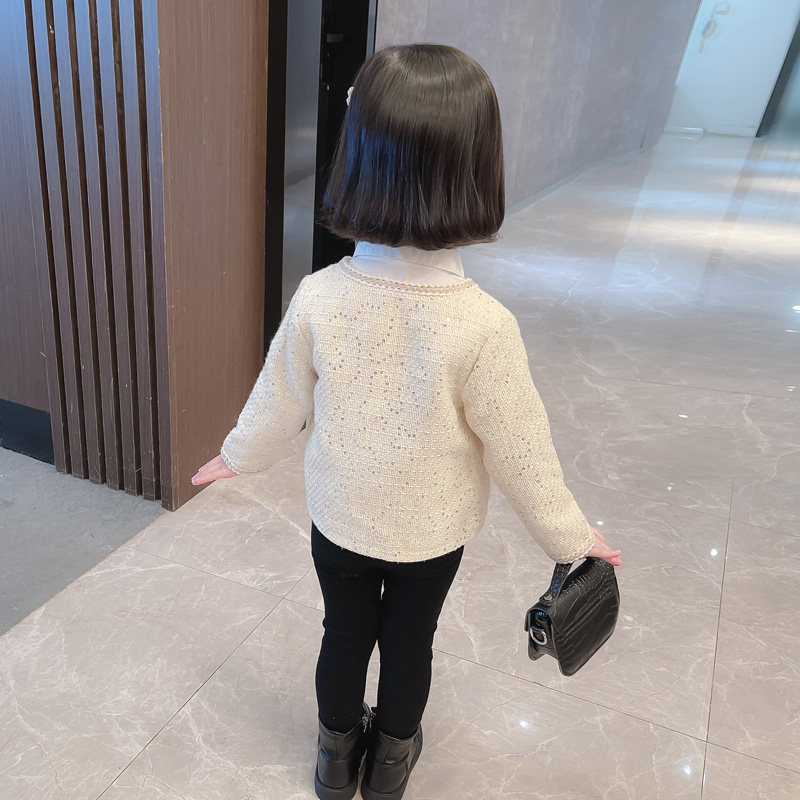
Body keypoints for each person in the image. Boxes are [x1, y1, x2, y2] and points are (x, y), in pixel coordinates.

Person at [191, 42, 621, 800]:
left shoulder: (320, 296)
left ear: (357, 158)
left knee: (343, 633)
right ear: (478, 169)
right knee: (410, 643)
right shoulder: (484, 326)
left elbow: (279, 397)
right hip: (432, 534)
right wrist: (569, 537)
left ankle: (334, 762)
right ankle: (390, 765)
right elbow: (520, 450)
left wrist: (238, 455)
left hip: (340, 518)